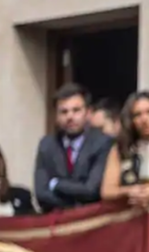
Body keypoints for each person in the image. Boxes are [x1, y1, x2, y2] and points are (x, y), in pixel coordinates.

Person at [34, 83, 114, 213]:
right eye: (64, 112)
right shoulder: (47, 144)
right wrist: (74, 203)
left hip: (92, 220)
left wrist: (56, 184)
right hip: (56, 222)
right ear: (56, 116)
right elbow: (41, 194)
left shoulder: (103, 142)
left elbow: (91, 191)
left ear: (88, 113)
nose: (70, 117)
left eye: (76, 110)